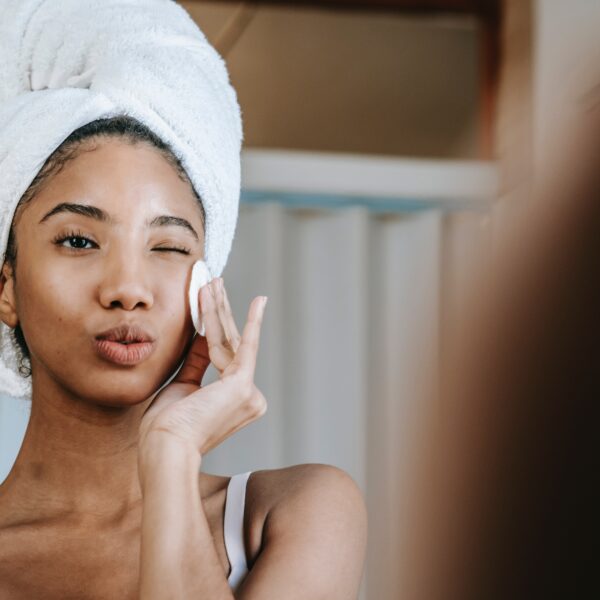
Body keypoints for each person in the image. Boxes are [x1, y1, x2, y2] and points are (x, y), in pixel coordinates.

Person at [0, 1, 367, 598]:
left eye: (167, 247)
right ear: (6, 287)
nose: (127, 289)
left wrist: (171, 456)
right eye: (78, 239)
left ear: (205, 286)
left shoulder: (293, 514)